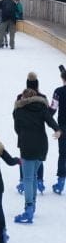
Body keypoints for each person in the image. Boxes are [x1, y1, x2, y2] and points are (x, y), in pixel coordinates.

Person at [13, 87, 61, 223]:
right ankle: (32, 205)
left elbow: (17, 129)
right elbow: (50, 120)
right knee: (33, 176)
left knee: (28, 178)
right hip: (42, 146)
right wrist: (57, 130)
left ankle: (29, 207)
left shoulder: (18, 111)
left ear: (23, 98)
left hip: (27, 146)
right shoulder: (42, 108)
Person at [51, 65, 66, 194]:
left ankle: (61, 182)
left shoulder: (58, 91)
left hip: (63, 127)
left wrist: (43, 116)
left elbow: (53, 109)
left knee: (63, 154)